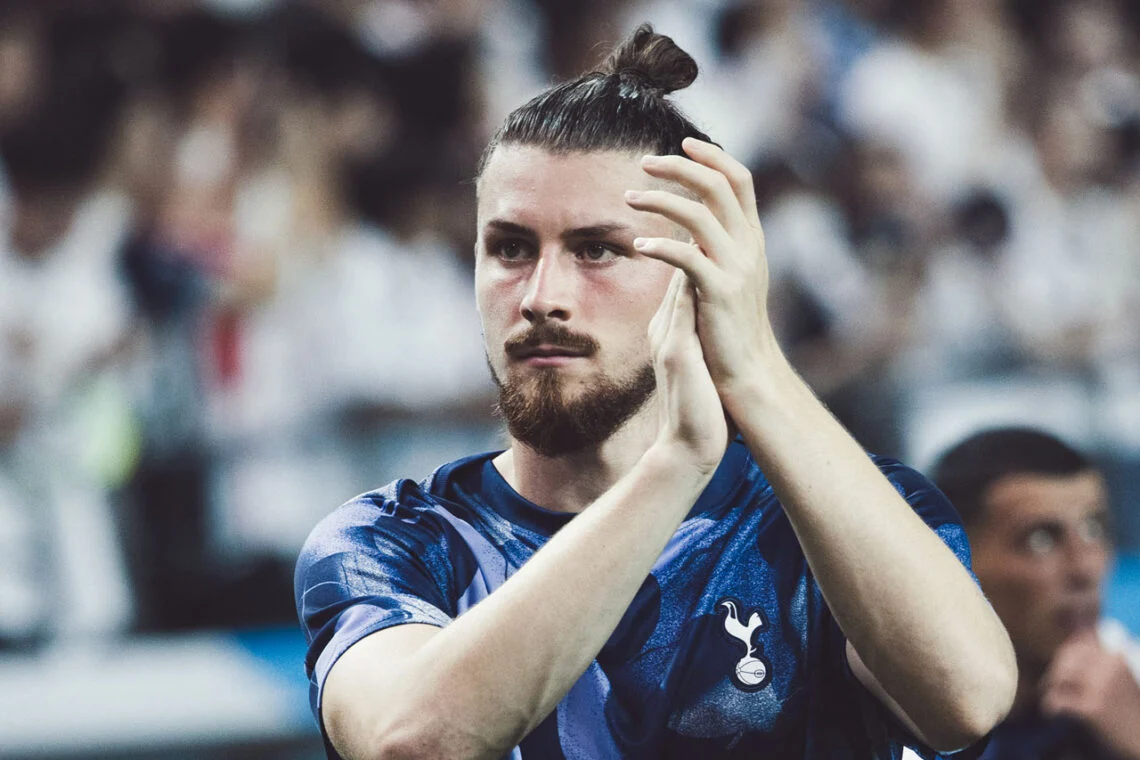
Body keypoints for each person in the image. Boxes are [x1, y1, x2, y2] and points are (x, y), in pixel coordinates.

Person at [295, 24, 1015, 760]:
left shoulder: (837, 518)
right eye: (510, 248)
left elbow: (967, 698)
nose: (541, 297)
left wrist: (756, 367)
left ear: (700, 275)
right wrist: (676, 466)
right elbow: (410, 744)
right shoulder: (390, 541)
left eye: (597, 250)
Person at [931, 427, 1140, 759]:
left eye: (1094, 528)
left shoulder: (1131, 681)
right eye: (1040, 539)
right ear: (955, 561)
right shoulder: (894, 731)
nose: (1085, 567)